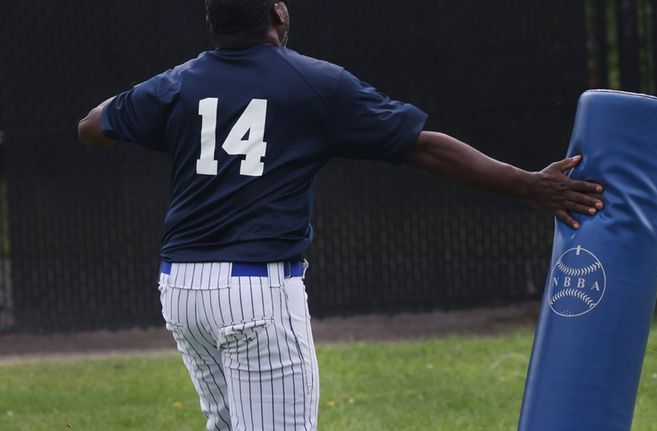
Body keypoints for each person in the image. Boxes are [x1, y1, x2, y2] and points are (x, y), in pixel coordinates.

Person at [78, 0, 604, 429]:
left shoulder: (179, 83)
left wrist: (163, 93)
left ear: (211, 24)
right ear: (278, 16)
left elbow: (92, 127)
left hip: (183, 288)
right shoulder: (313, 83)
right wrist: (529, 186)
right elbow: (425, 149)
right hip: (255, 288)